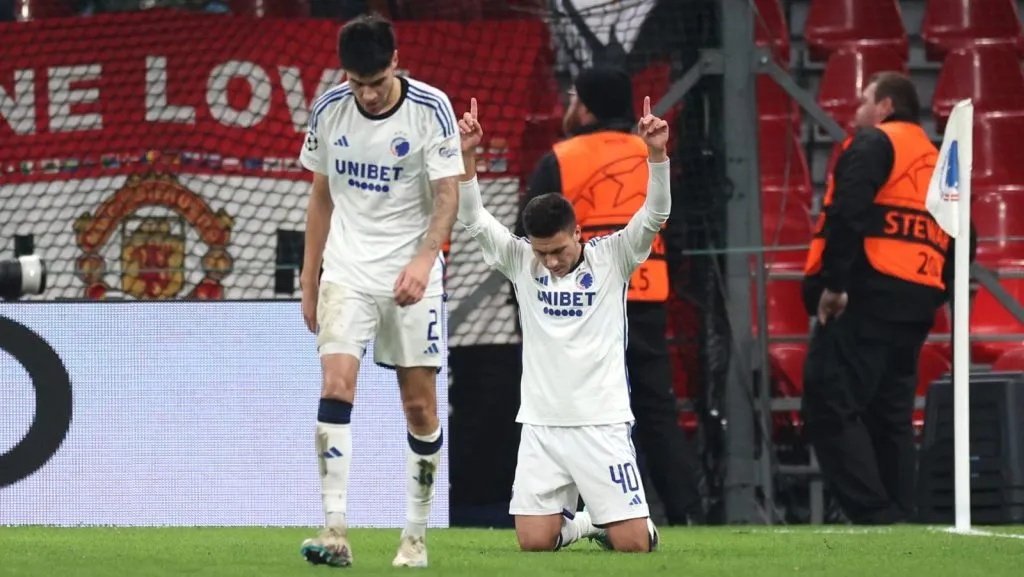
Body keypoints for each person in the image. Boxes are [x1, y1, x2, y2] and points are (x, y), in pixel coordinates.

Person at [456, 95, 667, 552]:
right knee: (534, 542)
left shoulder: (613, 257)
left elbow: (655, 215)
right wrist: (468, 156)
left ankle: (626, 526)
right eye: (541, 251)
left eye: (559, 250)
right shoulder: (520, 262)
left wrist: (656, 156)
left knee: (634, 545)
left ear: (578, 233)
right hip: (541, 425)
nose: (550, 261)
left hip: (601, 421)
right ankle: (587, 526)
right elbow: (472, 218)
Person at [296, 14, 463, 568]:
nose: (365, 94)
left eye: (375, 81)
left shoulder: (431, 109)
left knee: (418, 408)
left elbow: (446, 197)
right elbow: (321, 195)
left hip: (411, 277)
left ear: (396, 62)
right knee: (336, 384)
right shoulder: (329, 108)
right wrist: (309, 275)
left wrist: (424, 258)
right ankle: (335, 529)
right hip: (347, 270)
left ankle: (414, 536)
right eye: (355, 82)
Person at [515, 66, 704, 525]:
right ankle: (686, 512)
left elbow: (533, 227)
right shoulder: (648, 153)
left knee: (579, 407)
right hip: (647, 294)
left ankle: (574, 512)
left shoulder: (562, 156)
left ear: (588, 105)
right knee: (657, 407)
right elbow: (670, 224)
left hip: (583, 307)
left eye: (576, 98)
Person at [801, 71, 975, 524]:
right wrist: (936, 293)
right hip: (916, 301)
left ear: (884, 107)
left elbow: (849, 211)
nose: (857, 112)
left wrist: (835, 285)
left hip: (867, 293)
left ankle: (876, 514)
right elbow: (965, 235)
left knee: (828, 405)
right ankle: (900, 513)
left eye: (864, 102)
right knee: (890, 417)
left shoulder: (877, 143)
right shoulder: (940, 160)